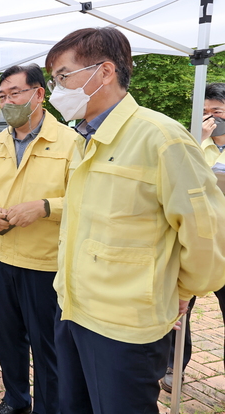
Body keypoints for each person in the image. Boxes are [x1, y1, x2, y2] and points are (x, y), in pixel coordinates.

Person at [45, 27, 225, 413]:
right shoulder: (84, 138)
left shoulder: (161, 138)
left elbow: (206, 232)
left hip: (126, 328)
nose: (57, 89)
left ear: (104, 72)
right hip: (73, 309)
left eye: (63, 76)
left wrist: (182, 290)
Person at [0, 64, 77, 414]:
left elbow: (86, 197)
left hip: (43, 262)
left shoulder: (70, 142)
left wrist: (45, 208)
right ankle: (15, 400)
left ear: (39, 94)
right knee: (8, 338)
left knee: (48, 346)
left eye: (14, 93)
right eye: (2, 96)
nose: (7, 101)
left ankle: (48, 407)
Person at [159, 82, 225, 392]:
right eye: (204, 112)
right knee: (181, 309)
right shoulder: (192, 143)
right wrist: (196, 141)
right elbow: (178, 178)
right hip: (195, 241)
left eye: (217, 112)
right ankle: (174, 366)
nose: (211, 118)